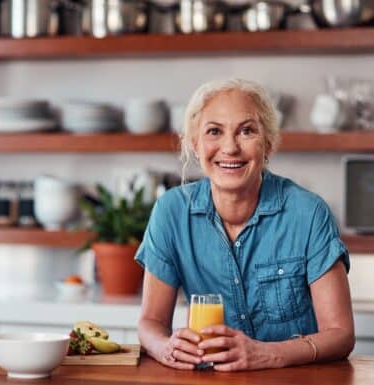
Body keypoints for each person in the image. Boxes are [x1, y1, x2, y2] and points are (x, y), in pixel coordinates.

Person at [135, 78, 355, 371]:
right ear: (195, 145)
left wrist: (268, 354)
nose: (230, 147)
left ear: (268, 144)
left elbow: (341, 335)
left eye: (246, 131)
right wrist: (165, 347)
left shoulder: (308, 213)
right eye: (214, 131)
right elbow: (151, 323)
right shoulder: (172, 212)